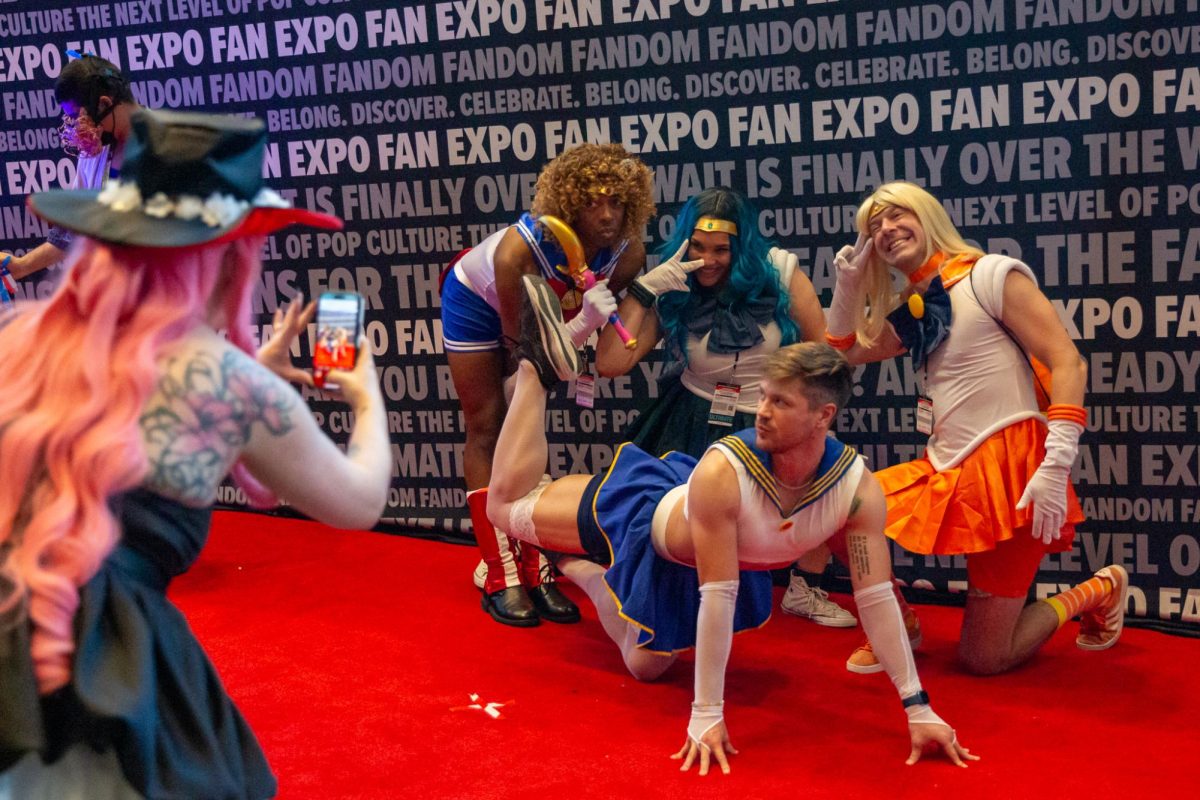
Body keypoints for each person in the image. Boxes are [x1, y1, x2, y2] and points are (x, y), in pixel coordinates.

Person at [0, 109, 392, 799]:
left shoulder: (21, 340)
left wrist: (257, 382)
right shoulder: (221, 379)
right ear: (227, 252)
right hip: (97, 674)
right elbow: (358, 500)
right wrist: (365, 399)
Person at [484, 276, 976, 776]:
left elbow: (876, 600)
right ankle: (532, 373)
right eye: (763, 397)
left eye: (780, 403)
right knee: (505, 510)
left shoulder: (856, 490)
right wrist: (706, 715)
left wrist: (919, 708)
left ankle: (581, 569)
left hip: (698, 549)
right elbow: (717, 596)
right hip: (637, 516)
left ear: (824, 416)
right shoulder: (726, 471)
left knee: (646, 667)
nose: (760, 413)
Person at [824, 181, 1127, 676]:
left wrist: (1055, 464)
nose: (885, 230)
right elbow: (837, 355)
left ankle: (1096, 590)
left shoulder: (990, 274)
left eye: (897, 215)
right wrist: (849, 287)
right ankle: (897, 621)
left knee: (985, 659)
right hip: (947, 465)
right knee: (838, 508)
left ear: (927, 216)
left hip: (1014, 470)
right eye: (873, 227)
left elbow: (1067, 362)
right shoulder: (915, 308)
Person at [595, 187, 855, 627]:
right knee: (678, 518)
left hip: (766, 417)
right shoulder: (674, 284)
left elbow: (826, 354)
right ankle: (675, 598)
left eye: (721, 249)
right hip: (693, 415)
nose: (708, 259)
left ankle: (804, 589)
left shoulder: (780, 271)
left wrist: (807, 416)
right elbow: (610, 363)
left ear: (741, 245)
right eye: (698, 246)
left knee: (824, 487)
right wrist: (641, 291)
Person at [440, 143, 655, 626]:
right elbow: (528, 352)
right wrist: (563, 341)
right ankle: (501, 574)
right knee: (490, 425)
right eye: (591, 201)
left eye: (616, 202)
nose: (605, 215)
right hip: (476, 302)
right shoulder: (520, 251)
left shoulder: (629, 251)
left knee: (530, 428)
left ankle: (536, 568)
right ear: (568, 201)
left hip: (546, 321)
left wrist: (584, 324)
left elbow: (570, 322)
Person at [1, 54, 144, 280]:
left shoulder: (166, 147)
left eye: (80, 117)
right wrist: (21, 266)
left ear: (104, 103)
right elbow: (71, 231)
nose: (79, 129)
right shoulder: (93, 153)